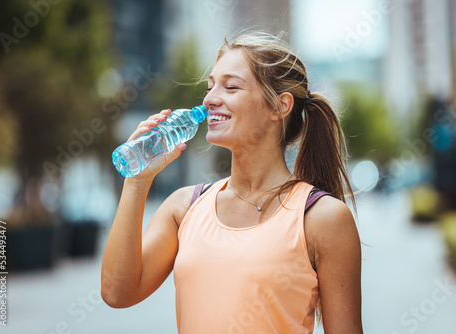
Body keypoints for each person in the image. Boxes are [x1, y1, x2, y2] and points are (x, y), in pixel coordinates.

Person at [101, 32, 363, 334]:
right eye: (210, 86)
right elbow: (116, 293)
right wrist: (137, 181)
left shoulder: (322, 218)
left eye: (231, 87)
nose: (210, 99)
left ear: (279, 106)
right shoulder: (184, 208)